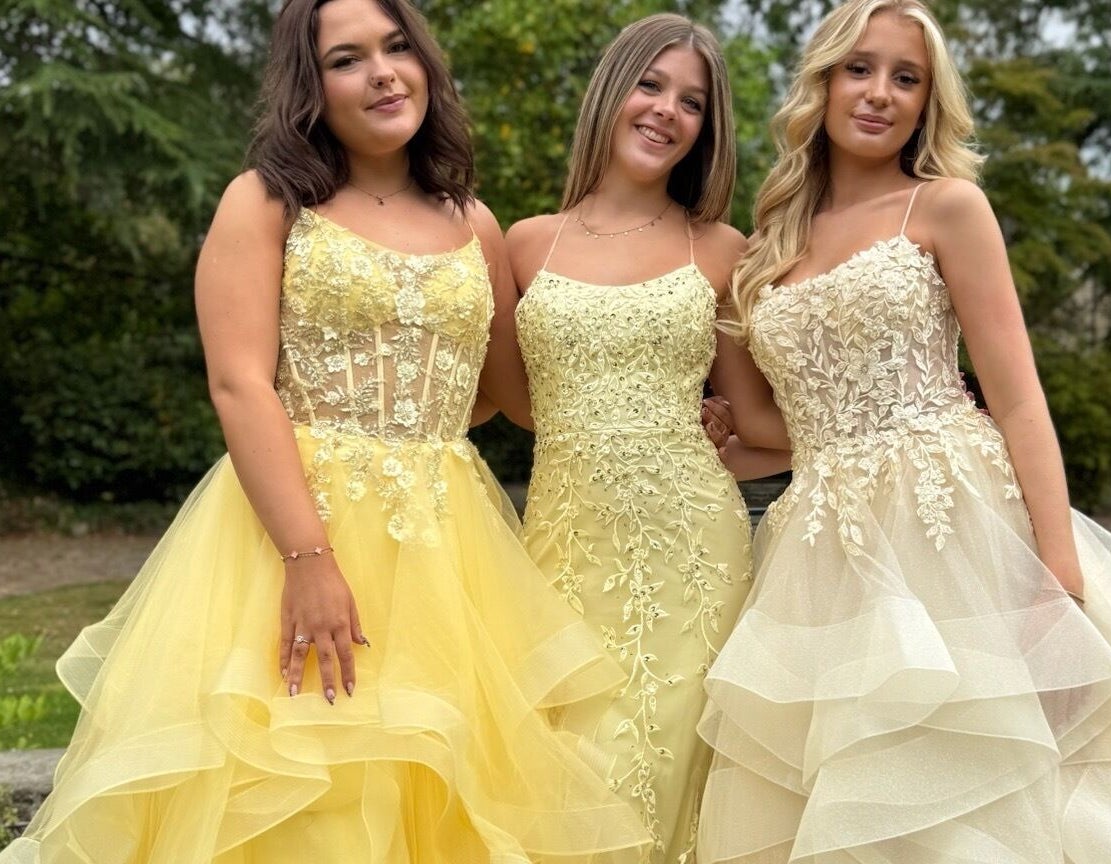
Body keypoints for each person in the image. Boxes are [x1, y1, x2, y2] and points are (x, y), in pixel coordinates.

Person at [0, 0, 653, 861]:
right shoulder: (267, 203)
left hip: (449, 557)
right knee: (314, 797)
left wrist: (666, 389)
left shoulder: (474, 223)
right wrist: (308, 559)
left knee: (442, 782)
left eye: (396, 49)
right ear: (313, 86)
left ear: (424, 65)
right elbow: (239, 385)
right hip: (296, 531)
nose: (382, 72)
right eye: (348, 59)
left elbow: (508, 398)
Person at [696, 1, 1111, 861]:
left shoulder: (945, 207)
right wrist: (714, 439)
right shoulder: (762, 250)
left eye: (907, 78)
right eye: (860, 69)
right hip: (821, 551)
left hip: (957, 530)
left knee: (995, 789)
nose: (880, 94)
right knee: (860, 799)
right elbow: (783, 432)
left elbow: (1018, 402)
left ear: (929, 101)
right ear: (821, 81)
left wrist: (1059, 576)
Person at [502, 14, 754, 863]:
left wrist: (715, 423)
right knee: (565, 765)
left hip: (695, 554)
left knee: (677, 769)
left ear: (705, 131)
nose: (666, 111)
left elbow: (759, 420)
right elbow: (516, 402)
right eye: (651, 85)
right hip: (563, 549)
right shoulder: (525, 243)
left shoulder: (720, 248)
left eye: (691, 101)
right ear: (613, 94)